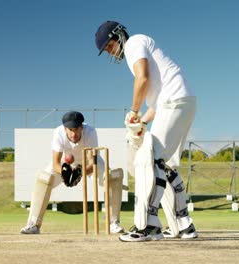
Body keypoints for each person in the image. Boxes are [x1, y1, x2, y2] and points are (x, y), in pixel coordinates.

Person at [95, 21, 198, 242]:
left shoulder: (134, 43)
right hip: (183, 100)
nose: (110, 52)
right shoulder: (142, 46)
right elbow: (155, 103)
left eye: (109, 46)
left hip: (174, 101)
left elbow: (143, 78)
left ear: (118, 36)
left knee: (148, 160)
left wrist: (133, 111)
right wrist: (141, 121)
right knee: (167, 165)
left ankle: (148, 226)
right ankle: (184, 224)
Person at [20, 111, 125, 234]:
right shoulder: (58, 133)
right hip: (66, 164)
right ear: (65, 128)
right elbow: (55, 163)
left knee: (112, 177)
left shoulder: (90, 132)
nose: (73, 133)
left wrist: (80, 172)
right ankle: (33, 224)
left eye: (76, 129)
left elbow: (93, 163)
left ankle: (113, 223)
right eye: (70, 130)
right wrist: (66, 173)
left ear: (81, 127)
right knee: (44, 179)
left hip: (88, 163)